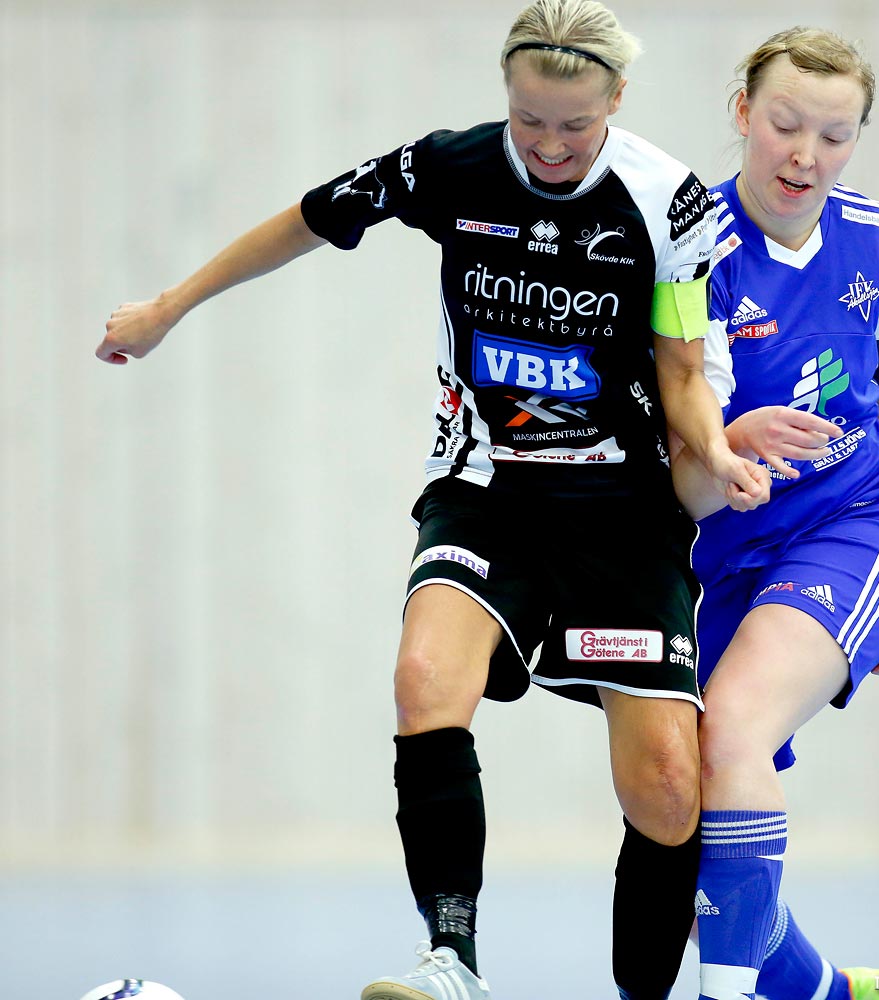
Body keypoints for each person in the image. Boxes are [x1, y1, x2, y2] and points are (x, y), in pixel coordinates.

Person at [95, 3, 797, 999]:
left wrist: (715, 452)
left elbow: (682, 368)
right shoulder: (449, 167)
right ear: (505, 98)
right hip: (485, 488)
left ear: (617, 103)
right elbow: (306, 218)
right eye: (529, 119)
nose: (549, 145)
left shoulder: (669, 201)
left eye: (574, 124)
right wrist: (168, 307)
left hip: (622, 511)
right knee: (424, 676)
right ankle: (451, 957)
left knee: (667, 790)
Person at [668, 26, 879, 1000]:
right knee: (686, 798)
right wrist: (723, 443)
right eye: (784, 124)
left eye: (833, 136)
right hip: (725, 548)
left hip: (854, 520)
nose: (804, 156)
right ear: (741, 113)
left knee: (735, 724)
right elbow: (676, 468)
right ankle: (818, 986)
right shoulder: (684, 250)